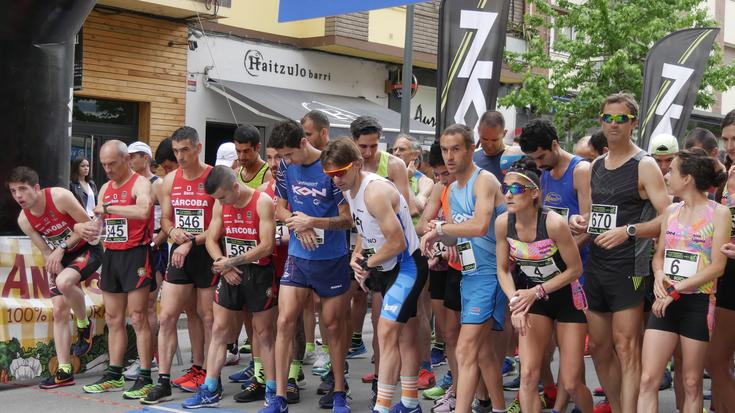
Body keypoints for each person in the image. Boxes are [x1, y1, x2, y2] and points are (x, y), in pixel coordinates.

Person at [568, 93, 671, 413]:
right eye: (607, 118)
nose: (613, 125)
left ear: (633, 124)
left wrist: (629, 231)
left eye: (620, 119)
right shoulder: (596, 165)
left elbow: (670, 217)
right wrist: (579, 222)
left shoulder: (646, 164)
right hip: (597, 266)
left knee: (627, 349)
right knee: (599, 347)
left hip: (631, 266)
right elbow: (597, 215)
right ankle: (615, 405)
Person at [321, 137, 427, 413]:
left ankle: (382, 406)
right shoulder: (348, 190)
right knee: (404, 336)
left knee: (386, 332)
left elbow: (398, 243)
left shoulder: (375, 192)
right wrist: (358, 257)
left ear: (356, 164)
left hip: (407, 266)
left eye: (340, 173)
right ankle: (410, 403)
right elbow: (364, 231)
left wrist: (367, 262)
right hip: (385, 265)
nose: (336, 180)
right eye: (330, 175)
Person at [259, 119, 353, 413]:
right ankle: (279, 397)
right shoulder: (287, 168)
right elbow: (280, 207)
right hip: (299, 258)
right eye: (279, 156)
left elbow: (347, 218)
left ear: (303, 143)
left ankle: (339, 392)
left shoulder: (329, 166)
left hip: (332, 259)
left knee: (333, 326)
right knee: (285, 322)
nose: (283, 162)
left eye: (287, 154)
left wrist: (313, 222)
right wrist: (297, 225)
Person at [421, 123, 508, 413]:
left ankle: (463, 408)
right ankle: (497, 409)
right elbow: (459, 234)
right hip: (468, 275)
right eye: (445, 150)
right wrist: (439, 243)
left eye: (456, 149)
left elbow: (480, 225)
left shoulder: (484, 180)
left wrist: (441, 228)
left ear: (472, 149)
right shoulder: (453, 187)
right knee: (483, 354)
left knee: (465, 349)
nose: (449, 156)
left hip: (492, 275)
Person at [495, 158, 593, 413]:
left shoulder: (553, 223)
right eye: (505, 188)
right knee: (527, 375)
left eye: (516, 189)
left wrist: (536, 291)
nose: (508, 195)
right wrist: (515, 302)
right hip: (532, 299)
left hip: (566, 298)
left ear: (534, 193)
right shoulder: (503, 223)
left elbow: (576, 269)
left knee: (571, 382)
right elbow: (503, 269)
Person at [637, 149, 730, 413]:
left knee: (691, 382)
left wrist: (676, 288)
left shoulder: (719, 213)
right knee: (648, 379)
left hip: (697, 303)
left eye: (672, 171)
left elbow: (717, 267)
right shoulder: (671, 211)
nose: (666, 176)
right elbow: (659, 256)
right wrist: (658, 275)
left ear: (687, 178)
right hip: (665, 300)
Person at [180, 166, 277, 408]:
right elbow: (212, 240)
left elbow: (267, 246)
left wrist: (231, 262)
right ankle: (210, 388)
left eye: (223, 197)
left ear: (235, 186)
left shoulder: (262, 201)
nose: (221, 202)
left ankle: (274, 391)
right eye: (217, 199)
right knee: (219, 330)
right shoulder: (220, 203)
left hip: (258, 272)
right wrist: (223, 264)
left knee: (264, 334)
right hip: (230, 271)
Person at [517, 119, 592, 412]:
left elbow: (591, 225)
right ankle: (559, 404)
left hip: (575, 273)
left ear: (555, 145)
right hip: (544, 274)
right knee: (542, 355)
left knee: (570, 356)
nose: (538, 163)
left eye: (541, 156)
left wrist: (564, 254)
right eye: (533, 159)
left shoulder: (580, 170)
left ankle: (568, 402)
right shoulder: (545, 172)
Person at [8, 166, 100, 389]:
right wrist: (54, 258)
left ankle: (83, 323)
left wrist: (61, 247)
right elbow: (45, 251)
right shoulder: (24, 219)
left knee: (64, 282)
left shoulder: (60, 196)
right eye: (13, 191)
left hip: (87, 249)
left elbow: (87, 227)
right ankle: (64, 370)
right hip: (61, 256)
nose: (18, 195)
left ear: (36, 188)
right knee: (58, 310)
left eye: (22, 189)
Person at [143, 127, 217, 404]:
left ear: (198, 148)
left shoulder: (213, 177)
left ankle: (209, 374)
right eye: (176, 151)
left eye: (186, 150)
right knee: (167, 317)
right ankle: (163, 380)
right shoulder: (169, 180)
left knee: (207, 317)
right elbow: (165, 218)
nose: (181, 156)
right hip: (180, 254)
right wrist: (172, 231)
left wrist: (191, 242)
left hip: (206, 253)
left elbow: (219, 226)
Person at [78, 140, 155, 399]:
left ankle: (145, 376)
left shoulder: (140, 183)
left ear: (126, 159)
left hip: (136, 255)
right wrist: (89, 228)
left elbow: (144, 211)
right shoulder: (106, 189)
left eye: (112, 163)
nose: (107, 169)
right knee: (113, 319)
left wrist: (109, 208)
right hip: (112, 254)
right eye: (103, 164)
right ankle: (114, 373)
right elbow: (99, 222)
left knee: (139, 317)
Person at [415, 142, 463, 410]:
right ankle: (456, 388)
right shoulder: (440, 187)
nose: (444, 179)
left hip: (471, 269)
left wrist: (441, 228)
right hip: (442, 268)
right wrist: (440, 228)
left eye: (447, 173)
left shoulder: (472, 186)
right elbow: (422, 224)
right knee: (449, 333)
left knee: (470, 337)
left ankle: (472, 392)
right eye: (438, 174)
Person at [124, 141, 169, 381]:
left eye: (132, 157)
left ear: (144, 158)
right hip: (134, 248)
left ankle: (150, 359)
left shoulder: (157, 184)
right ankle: (146, 355)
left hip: (154, 249)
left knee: (150, 304)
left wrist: (157, 241)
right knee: (136, 307)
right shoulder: (129, 184)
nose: (128, 161)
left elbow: (168, 218)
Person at [708, 109, 735, 413]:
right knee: (717, 361)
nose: (730, 145)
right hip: (725, 278)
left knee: (715, 361)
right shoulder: (727, 174)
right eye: (726, 138)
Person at [472, 110, 525, 182]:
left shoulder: (516, 157)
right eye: (484, 139)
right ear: (478, 131)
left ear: (504, 133)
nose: (489, 145)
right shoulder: (472, 157)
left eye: (494, 140)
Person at [235, 124, 272, 189]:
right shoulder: (235, 173)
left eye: (246, 151)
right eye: (238, 151)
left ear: (258, 147)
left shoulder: (269, 175)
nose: (241, 157)